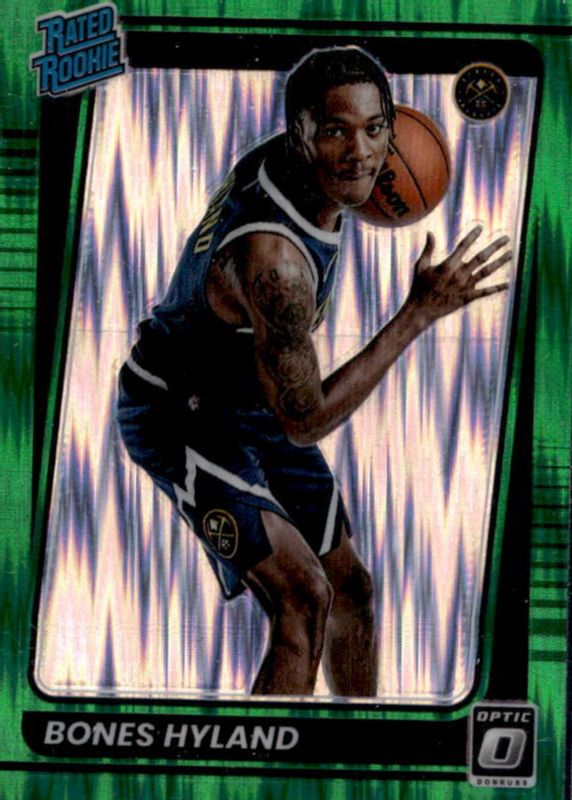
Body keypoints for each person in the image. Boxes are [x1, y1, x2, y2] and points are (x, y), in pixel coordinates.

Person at [117, 46, 511, 697]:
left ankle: (361, 745)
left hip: (254, 395)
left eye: (374, 128)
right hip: (181, 414)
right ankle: (271, 758)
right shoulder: (275, 263)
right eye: (335, 132)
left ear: (394, 125)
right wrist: (417, 313)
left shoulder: (310, 167)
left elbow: (288, 406)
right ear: (300, 135)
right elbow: (306, 422)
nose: (360, 153)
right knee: (303, 599)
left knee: (352, 588)